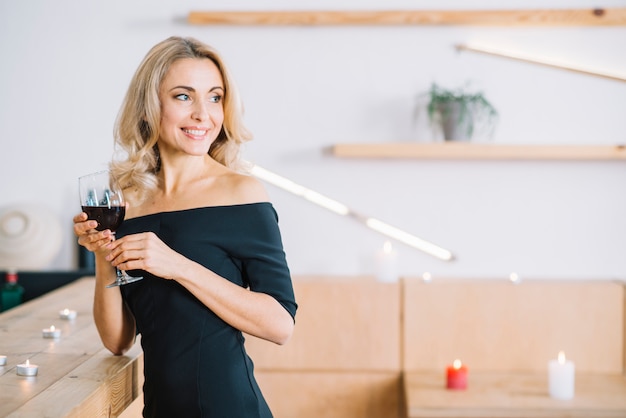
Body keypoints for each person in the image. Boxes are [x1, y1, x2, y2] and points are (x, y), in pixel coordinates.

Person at [73, 36, 297, 418]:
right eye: (183, 96)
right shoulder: (128, 199)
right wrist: (102, 255)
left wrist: (176, 265)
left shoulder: (241, 193)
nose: (203, 114)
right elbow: (117, 340)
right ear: (148, 107)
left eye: (214, 97)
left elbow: (280, 325)